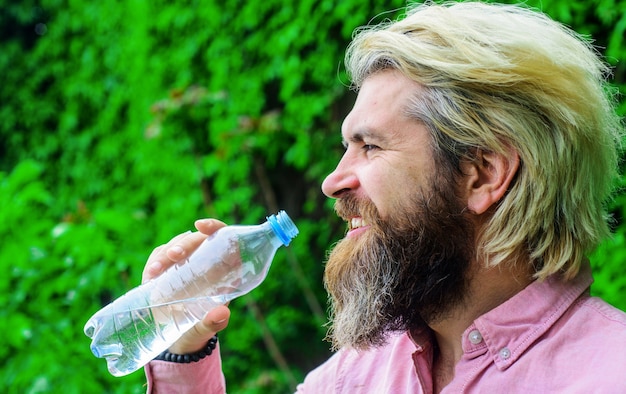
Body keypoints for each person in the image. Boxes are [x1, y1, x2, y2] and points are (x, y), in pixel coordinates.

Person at [142, 2, 626, 392]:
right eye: (345, 147)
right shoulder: (357, 376)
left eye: (370, 146)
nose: (332, 181)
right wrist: (183, 349)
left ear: (483, 174)